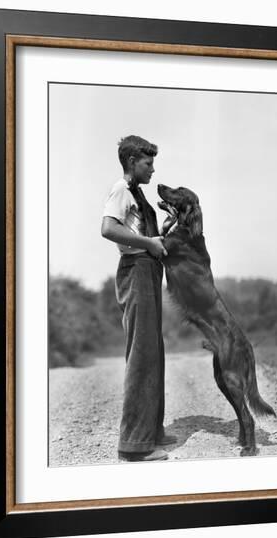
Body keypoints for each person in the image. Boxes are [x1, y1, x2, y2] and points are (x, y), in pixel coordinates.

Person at [101, 135, 177, 461]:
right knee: (141, 356)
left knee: (153, 353)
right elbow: (108, 229)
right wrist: (148, 243)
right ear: (132, 161)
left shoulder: (138, 194)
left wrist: (166, 229)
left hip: (148, 272)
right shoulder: (120, 188)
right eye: (148, 163)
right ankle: (133, 446)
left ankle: (152, 433)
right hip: (135, 272)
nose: (153, 169)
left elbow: (142, 235)